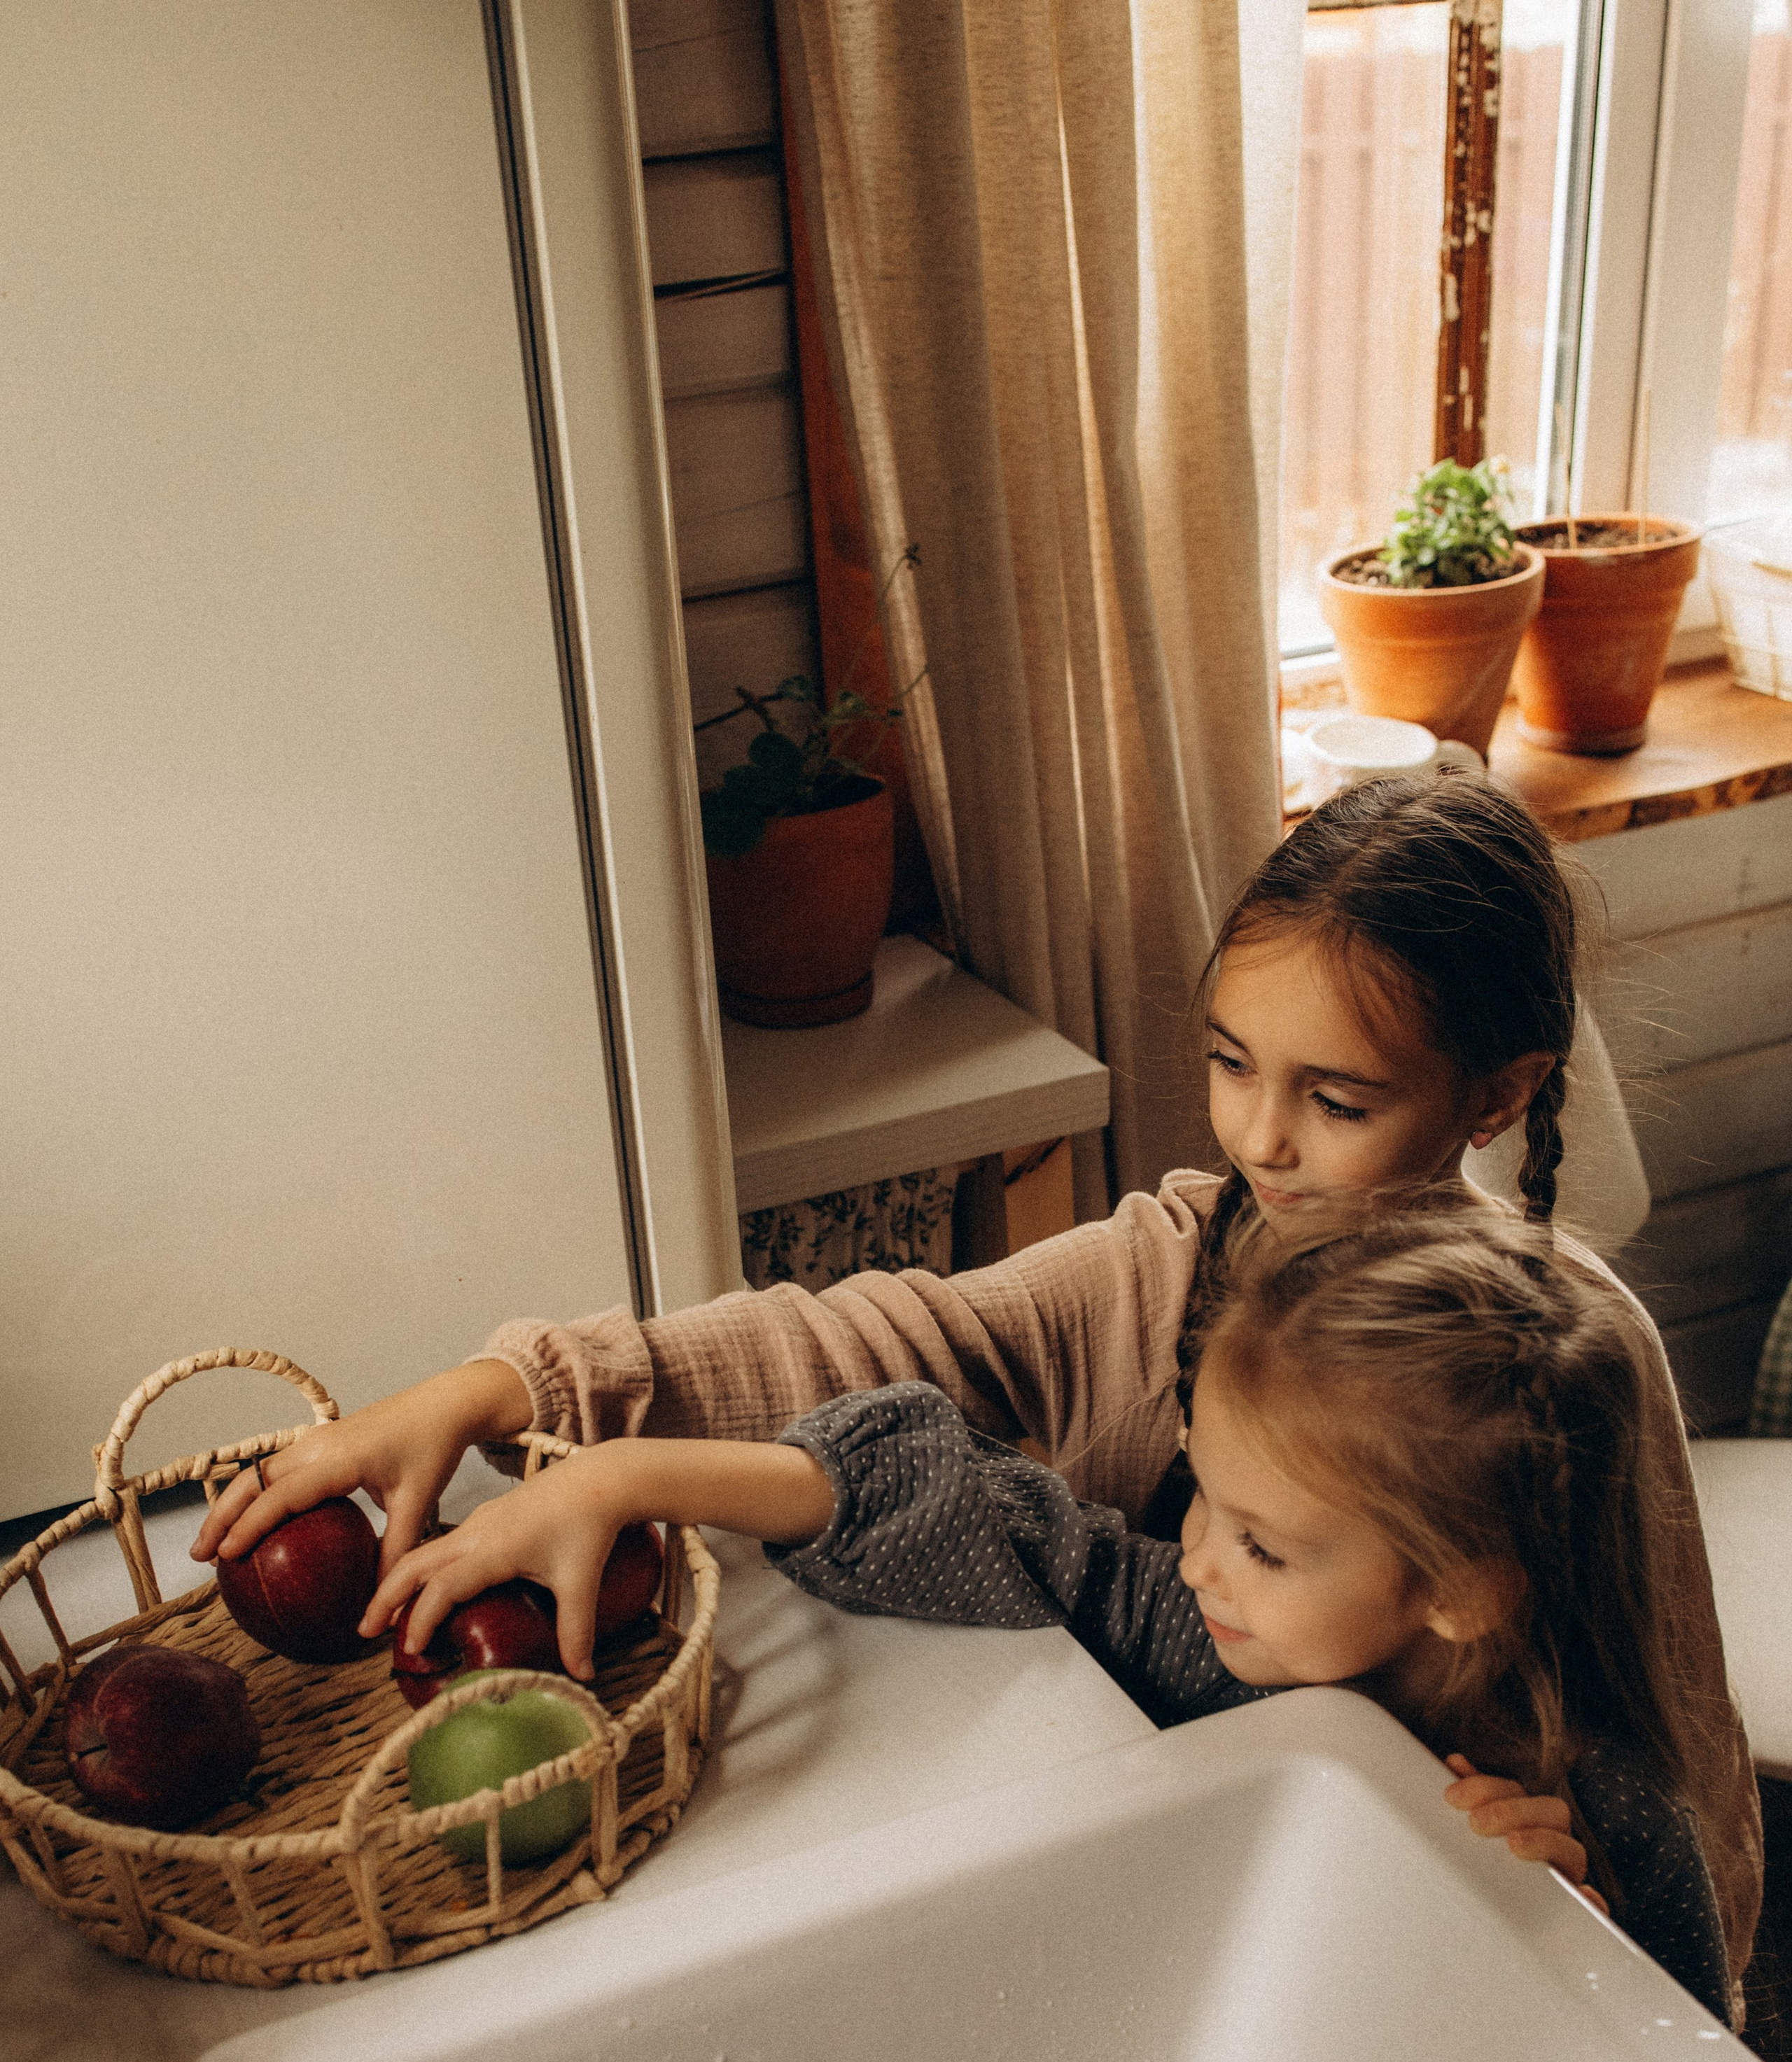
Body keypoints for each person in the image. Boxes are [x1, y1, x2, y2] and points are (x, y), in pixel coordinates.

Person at [192, 772, 1760, 1996]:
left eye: (1333, 1100)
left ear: (1497, 1096)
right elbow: (884, 1352)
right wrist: (499, 1389)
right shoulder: (1183, 1258)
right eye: (1227, 1063)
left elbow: (1677, 1767)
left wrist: (1608, 1937)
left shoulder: (1570, 1372)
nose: (1258, 1140)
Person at [352, 1208, 1732, 2026]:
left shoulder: (1612, 1814)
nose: (1193, 1560)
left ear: (1464, 1589)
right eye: (1202, 1502)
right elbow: (979, 1512)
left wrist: (1581, 1938)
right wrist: (633, 1471)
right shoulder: (1218, 1640)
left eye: (1256, 1543)